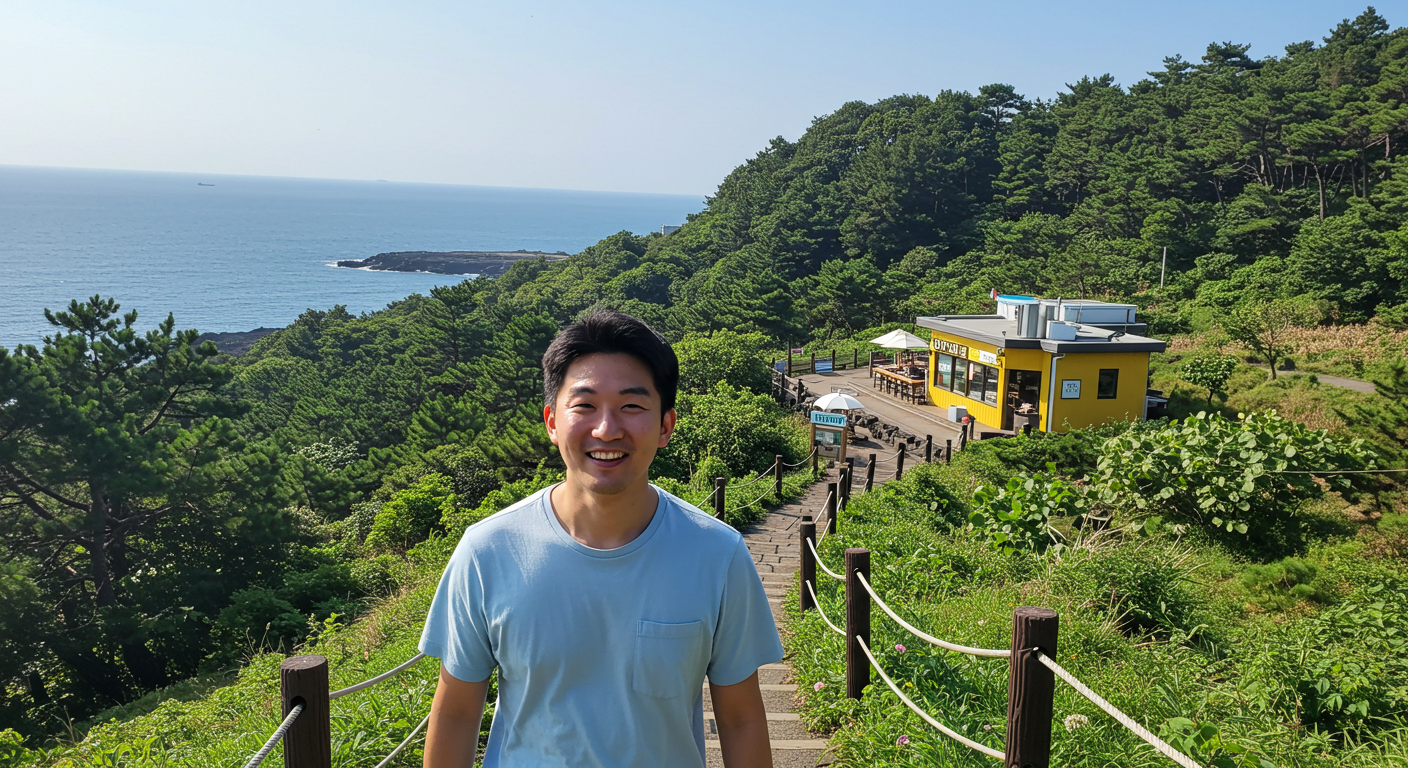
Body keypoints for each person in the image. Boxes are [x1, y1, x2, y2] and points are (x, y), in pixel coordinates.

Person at [419, 310, 782, 768]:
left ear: (666, 425)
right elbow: (455, 713)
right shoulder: (487, 551)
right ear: (552, 421)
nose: (606, 429)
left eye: (632, 406)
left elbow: (741, 719)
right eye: (584, 405)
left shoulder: (718, 554)